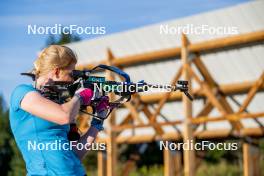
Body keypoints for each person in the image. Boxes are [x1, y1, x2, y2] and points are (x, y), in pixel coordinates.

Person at [9, 45, 108, 176]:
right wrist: (81, 95)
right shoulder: (23, 92)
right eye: (70, 74)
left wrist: (98, 120)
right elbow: (64, 116)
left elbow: (74, 155)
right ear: (56, 71)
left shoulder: (59, 102)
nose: (73, 80)